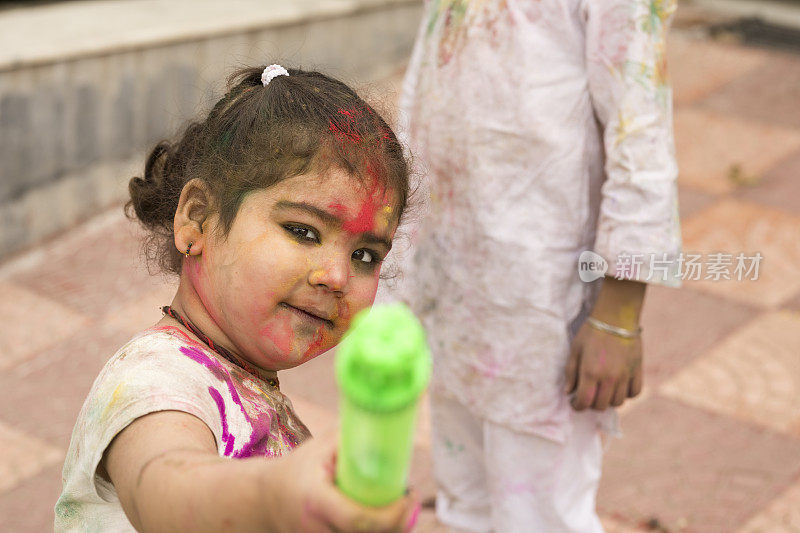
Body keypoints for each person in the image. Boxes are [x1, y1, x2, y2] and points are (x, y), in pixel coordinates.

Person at [55, 64, 420, 533]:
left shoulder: (242, 378)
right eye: (303, 231)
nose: (336, 275)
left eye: (366, 255)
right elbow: (165, 490)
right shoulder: (154, 381)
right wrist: (275, 495)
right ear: (198, 220)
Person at [388, 1, 682, 531]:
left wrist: (618, 314)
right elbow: (425, 87)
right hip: (452, 289)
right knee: (465, 504)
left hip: (543, 305)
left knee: (539, 515)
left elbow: (640, 134)